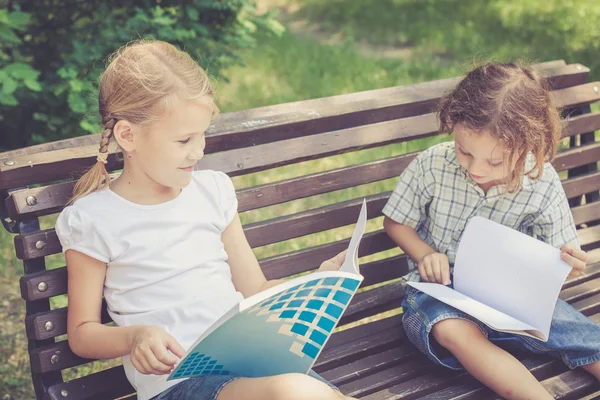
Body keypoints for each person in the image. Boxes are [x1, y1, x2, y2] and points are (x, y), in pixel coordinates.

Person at [55, 40, 355, 400]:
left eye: (202, 136)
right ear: (128, 136)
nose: (198, 151)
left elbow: (255, 290)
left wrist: (312, 289)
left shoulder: (212, 191)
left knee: (304, 390)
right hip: (180, 383)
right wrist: (135, 337)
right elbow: (83, 332)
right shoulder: (94, 219)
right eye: (184, 140)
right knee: (296, 391)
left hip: (253, 364)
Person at [382, 62, 600, 399]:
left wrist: (569, 263)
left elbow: (562, 252)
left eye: (494, 162)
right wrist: (425, 254)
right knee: (454, 332)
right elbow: (395, 222)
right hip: (438, 292)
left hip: (511, 296)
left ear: (529, 148)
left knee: (578, 333)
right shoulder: (433, 165)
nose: (475, 169)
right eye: (464, 151)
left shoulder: (541, 182)